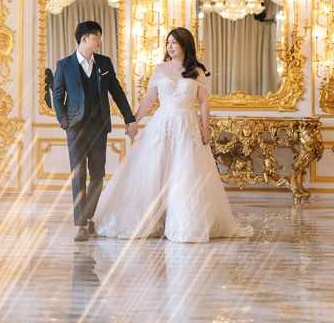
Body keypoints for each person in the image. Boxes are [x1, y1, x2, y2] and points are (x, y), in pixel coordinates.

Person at [93, 27, 253, 243]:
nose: (170, 46)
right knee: (155, 171)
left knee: (184, 172)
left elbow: (204, 101)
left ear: (185, 45)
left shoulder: (196, 71)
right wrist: (134, 121)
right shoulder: (159, 69)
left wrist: (206, 128)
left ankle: (184, 222)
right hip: (162, 125)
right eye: (168, 42)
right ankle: (153, 220)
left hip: (187, 126)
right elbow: (149, 99)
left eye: (174, 42)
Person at [53, 20, 138, 242]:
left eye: (100, 36)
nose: (100, 40)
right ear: (84, 39)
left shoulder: (104, 63)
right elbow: (57, 96)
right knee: (78, 175)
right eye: (96, 36)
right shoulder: (64, 65)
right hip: (76, 129)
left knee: (98, 175)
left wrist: (130, 119)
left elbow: (117, 92)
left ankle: (89, 217)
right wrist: (64, 122)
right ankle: (82, 224)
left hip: (99, 127)